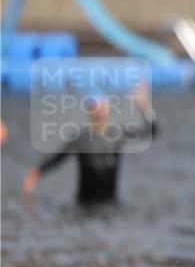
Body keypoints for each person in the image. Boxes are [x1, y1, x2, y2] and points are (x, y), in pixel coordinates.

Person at [22, 84, 156, 206]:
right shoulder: (80, 138)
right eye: (95, 106)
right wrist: (34, 175)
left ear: (108, 108)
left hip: (110, 205)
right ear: (89, 110)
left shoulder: (118, 133)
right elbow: (57, 158)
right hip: (84, 206)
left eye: (102, 106)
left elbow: (152, 131)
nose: (100, 110)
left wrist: (145, 106)